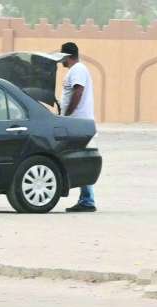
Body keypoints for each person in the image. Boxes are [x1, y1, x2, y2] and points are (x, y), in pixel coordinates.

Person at [60, 42, 97, 213]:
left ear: (67, 56)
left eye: (62, 57)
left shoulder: (78, 69)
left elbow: (78, 91)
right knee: (79, 160)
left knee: (81, 160)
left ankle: (88, 200)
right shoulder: (75, 70)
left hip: (78, 123)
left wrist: (67, 115)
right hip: (76, 122)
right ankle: (86, 199)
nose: (60, 61)